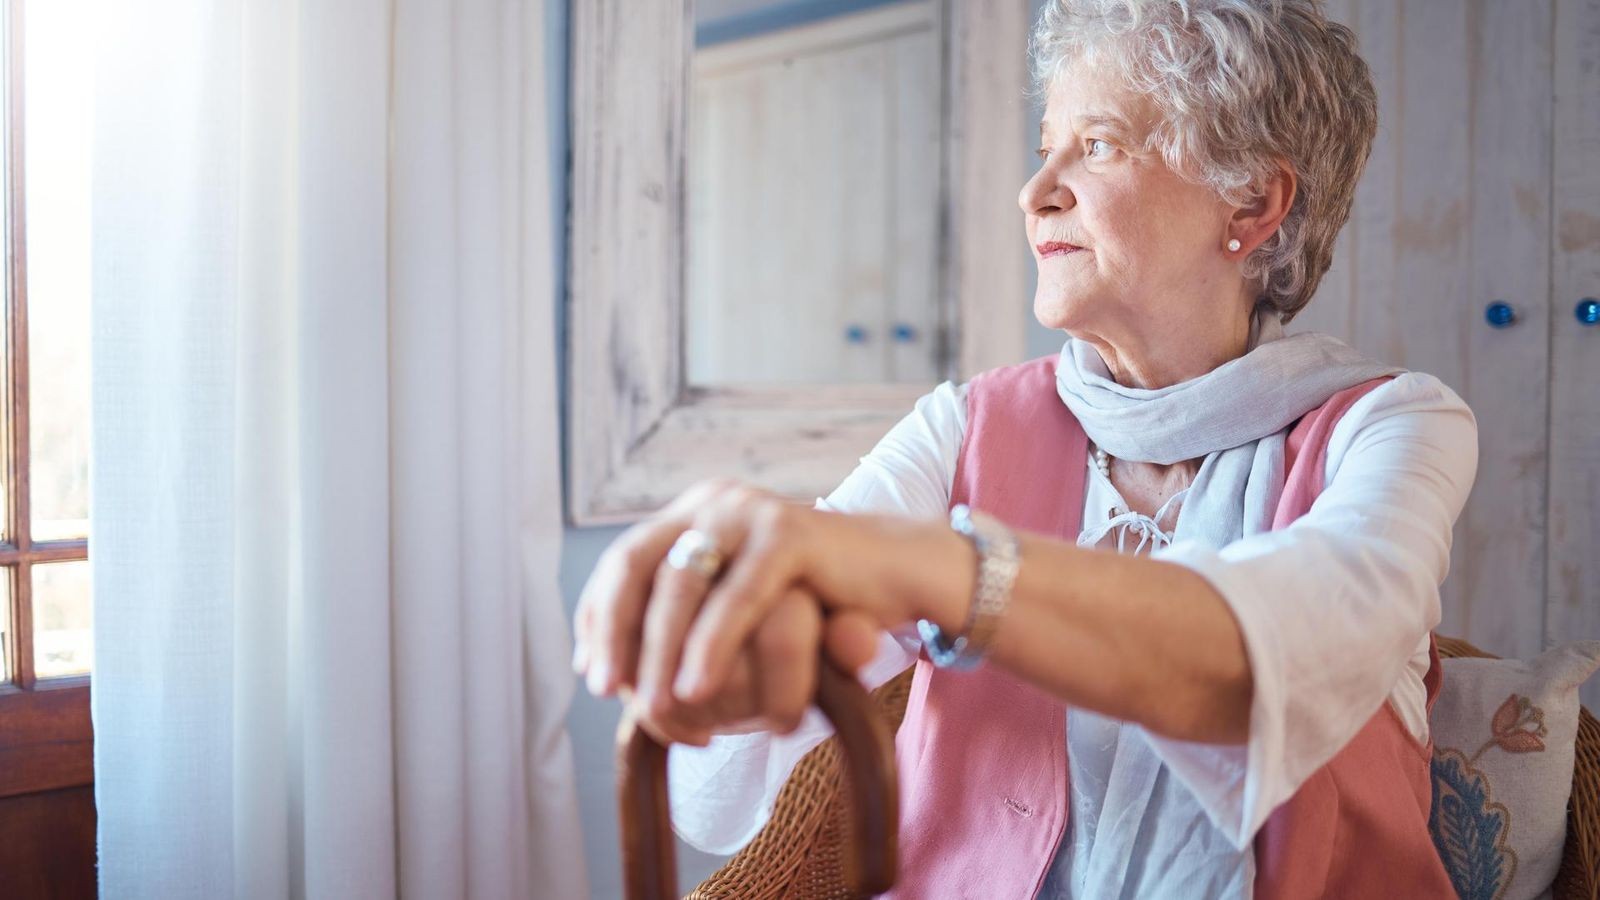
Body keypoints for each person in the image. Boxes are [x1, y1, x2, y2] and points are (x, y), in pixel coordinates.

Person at [571, 0, 1478, 895]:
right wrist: (731, 646)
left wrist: (933, 568)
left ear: (1252, 200)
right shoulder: (964, 426)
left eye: (1100, 143)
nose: (1035, 189)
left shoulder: (1396, 427)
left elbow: (1272, 663)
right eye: (1045, 145)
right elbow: (721, 796)